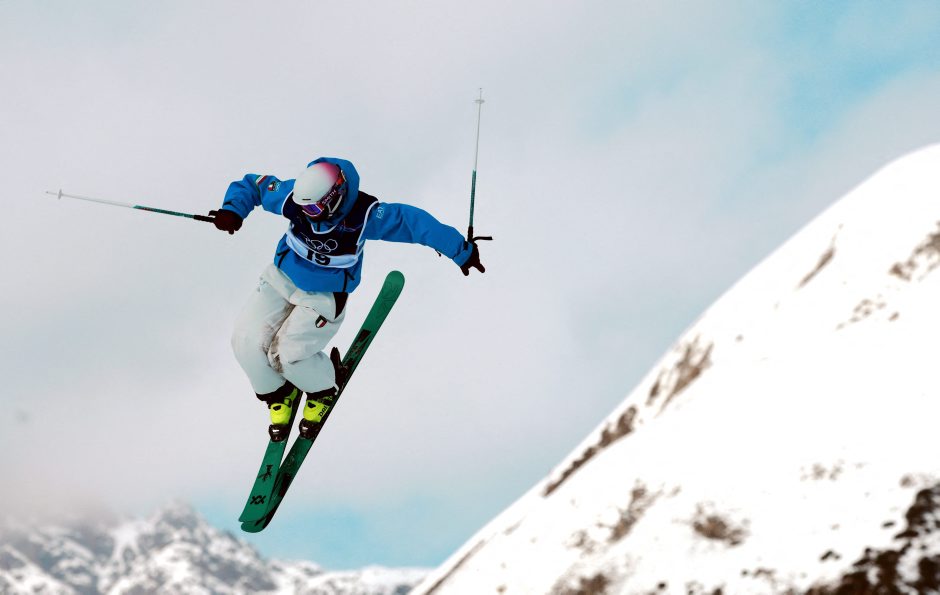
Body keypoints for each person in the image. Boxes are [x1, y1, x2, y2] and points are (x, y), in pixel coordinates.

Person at [212, 157, 485, 440]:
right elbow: (255, 186)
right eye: (303, 207)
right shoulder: (296, 199)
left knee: (288, 355)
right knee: (244, 342)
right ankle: (280, 393)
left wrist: (460, 251)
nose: (307, 214)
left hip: (324, 293)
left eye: (314, 208)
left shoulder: (363, 215)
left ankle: (323, 387)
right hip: (281, 278)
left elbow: (411, 222)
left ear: (334, 196)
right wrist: (233, 210)